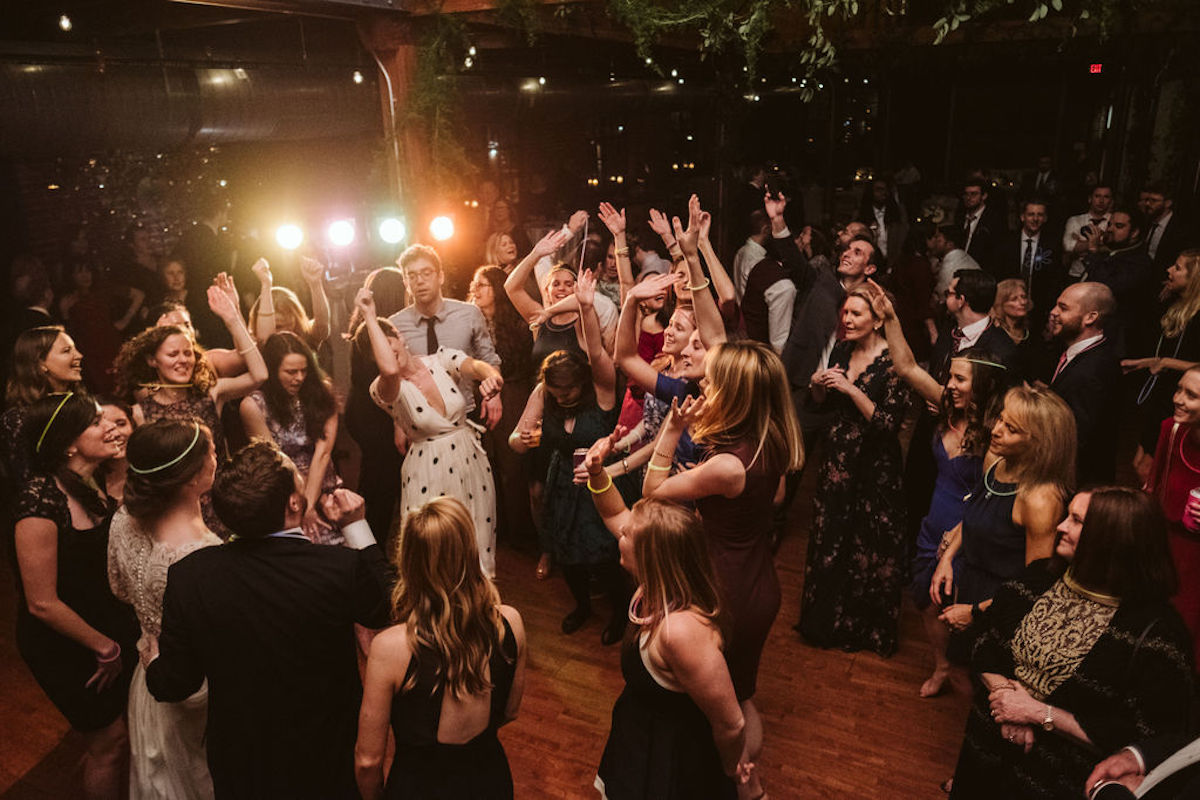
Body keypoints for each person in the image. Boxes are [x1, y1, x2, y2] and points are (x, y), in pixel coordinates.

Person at [145, 440, 392, 799]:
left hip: (244, 761)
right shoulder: (338, 569)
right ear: (294, 502)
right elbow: (389, 605)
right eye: (296, 475)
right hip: (325, 753)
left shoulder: (191, 576)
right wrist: (356, 526)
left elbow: (175, 683)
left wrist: (153, 662)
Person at [637, 339, 804, 799]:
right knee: (741, 693)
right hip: (756, 577)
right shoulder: (769, 439)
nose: (702, 384)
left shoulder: (730, 464)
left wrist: (672, 431)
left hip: (725, 586)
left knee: (723, 707)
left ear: (735, 393)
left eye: (712, 380)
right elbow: (769, 499)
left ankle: (742, 783)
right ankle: (745, 781)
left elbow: (653, 489)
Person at [949, 488, 1194, 800]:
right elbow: (983, 641)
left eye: (1076, 521)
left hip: (1056, 783)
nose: (1061, 526)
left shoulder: (1158, 635)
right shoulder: (1038, 578)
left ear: (1113, 540)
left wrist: (1040, 714)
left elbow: (1150, 737)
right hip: (982, 759)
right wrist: (1006, 699)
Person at [870, 283, 1008, 695]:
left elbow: (990, 495)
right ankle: (942, 664)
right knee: (926, 601)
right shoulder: (948, 410)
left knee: (955, 605)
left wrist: (958, 543)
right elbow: (910, 368)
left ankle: (965, 673)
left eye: (959, 378)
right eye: (949, 376)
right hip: (934, 519)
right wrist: (890, 318)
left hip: (965, 531)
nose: (949, 384)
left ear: (980, 385)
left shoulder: (993, 435)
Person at [582, 486, 754, 799]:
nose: (620, 530)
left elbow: (732, 724)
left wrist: (730, 769)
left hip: (673, 760)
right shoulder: (652, 589)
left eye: (628, 533)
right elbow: (612, 513)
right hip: (640, 735)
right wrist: (596, 474)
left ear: (650, 554)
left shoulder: (681, 632)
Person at [354, 497, 527, 799]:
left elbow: (368, 762)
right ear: (470, 552)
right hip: (489, 781)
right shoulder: (510, 623)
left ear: (407, 561)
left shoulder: (390, 648)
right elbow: (510, 711)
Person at [12, 392, 139, 799]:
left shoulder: (92, 482)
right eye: (97, 422)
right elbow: (41, 603)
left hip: (105, 627)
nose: (110, 428)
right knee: (110, 743)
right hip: (65, 642)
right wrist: (105, 647)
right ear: (68, 442)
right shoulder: (38, 501)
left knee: (119, 735)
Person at [510, 273, 629, 643]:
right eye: (555, 392)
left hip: (601, 480)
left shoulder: (602, 389)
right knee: (568, 551)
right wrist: (526, 440)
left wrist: (588, 307)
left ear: (582, 381)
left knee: (608, 554)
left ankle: (619, 614)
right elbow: (515, 439)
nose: (561, 397)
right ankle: (581, 606)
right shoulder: (545, 392)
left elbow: (596, 351)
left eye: (568, 391)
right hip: (562, 480)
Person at [107, 420, 221, 800]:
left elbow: (121, 589)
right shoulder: (204, 553)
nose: (217, 457)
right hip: (196, 690)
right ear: (191, 479)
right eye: (211, 451)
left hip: (147, 670)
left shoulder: (122, 518)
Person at [357, 287, 503, 578]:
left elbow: (477, 366)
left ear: (400, 337)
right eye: (381, 353)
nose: (390, 356)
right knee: (435, 553)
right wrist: (369, 317)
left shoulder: (441, 359)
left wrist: (492, 380)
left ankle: (482, 611)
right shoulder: (383, 388)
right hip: (427, 471)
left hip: (470, 459)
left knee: (478, 543)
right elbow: (388, 370)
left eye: (392, 345)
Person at [798, 288, 910, 655]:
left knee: (865, 541)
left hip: (874, 463)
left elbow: (888, 423)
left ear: (878, 321)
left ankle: (859, 627)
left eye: (856, 314)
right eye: (845, 312)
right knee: (831, 534)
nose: (846, 320)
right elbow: (824, 402)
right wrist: (818, 386)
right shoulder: (843, 349)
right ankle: (824, 622)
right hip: (838, 459)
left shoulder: (894, 361)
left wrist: (850, 389)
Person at [114, 275, 267, 536]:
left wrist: (232, 319)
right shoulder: (141, 412)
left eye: (188, 353)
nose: (183, 360)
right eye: (173, 354)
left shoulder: (211, 394)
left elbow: (259, 375)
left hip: (222, 507)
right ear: (153, 360)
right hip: (174, 516)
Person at [929, 386, 1075, 648]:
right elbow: (977, 513)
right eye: (1001, 419)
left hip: (1000, 601)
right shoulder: (996, 461)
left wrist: (975, 612)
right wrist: (948, 557)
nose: (995, 430)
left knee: (984, 680)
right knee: (959, 670)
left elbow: (1033, 586)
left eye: (1012, 429)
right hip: (970, 580)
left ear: (1039, 443)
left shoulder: (1040, 499)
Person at [240, 331, 342, 544]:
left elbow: (322, 454)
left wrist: (311, 504)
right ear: (273, 370)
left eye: (304, 371)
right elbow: (275, 462)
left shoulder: (321, 393)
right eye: (290, 372)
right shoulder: (253, 405)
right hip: (286, 493)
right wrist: (300, 506)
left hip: (324, 486)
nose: (299, 378)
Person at [389, 244, 502, 428]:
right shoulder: (396, 324)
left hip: (466, 414)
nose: (420, 281)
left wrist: (494, 394)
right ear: (405, 282)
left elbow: (488, 358)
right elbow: (395, 377)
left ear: (440, 276)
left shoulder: (469, 314)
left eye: (426, 273)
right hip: (419, 419)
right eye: (412, 275)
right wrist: (398, 421)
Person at [468, 266, 537, 549]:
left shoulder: (515, 326)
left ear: (497, 288)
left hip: (512, 394)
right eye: (474, 284)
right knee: (487, 464)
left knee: (513, 466)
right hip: (477, 397)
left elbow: (525, 366)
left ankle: (521, 533)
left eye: (483, 284)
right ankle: (498, 529)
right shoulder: (468, 322)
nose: (476, 289)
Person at [1124, 250, 1200, 484]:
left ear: (1194, 277)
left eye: (1177, 268)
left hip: (1180, 400)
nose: (1169, 270)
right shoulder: (1178, 306)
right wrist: (1145, 363)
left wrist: (1165, 363)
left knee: (1151, 469)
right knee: (1140, 463)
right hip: (1162, 397)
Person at [344, 267, 408, 544]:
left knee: (376, 480)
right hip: (376, 413)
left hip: (361, 411)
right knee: (383, 485)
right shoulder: (379, 331)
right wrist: (398, 421)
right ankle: (372, 551)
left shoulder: (365, 326)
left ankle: (368, 547)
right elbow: (388, 377)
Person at [1146, 364, 1200, 664]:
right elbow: (1153, 489)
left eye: (1191, 395)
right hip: (1165, 550)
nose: (1178, 398)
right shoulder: (1171, 429)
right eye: (1179, 389)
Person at [1045, 283, 1122, 485]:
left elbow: (1077, 438)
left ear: (1091, 317)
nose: (1053, 312)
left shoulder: (1092, 371)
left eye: (1063, 308)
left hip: (1075, 483)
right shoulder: (1086, 353)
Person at [1, 326, 83, 482]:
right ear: (40, 363)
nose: (79, 355)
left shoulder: (84, 405)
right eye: (67, 351)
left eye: (76, 349)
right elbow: (27, 479)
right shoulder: (19, 419)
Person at [247, 256, 332, 350]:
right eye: (278, 326)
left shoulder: (306, 337)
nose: (285, 332)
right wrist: (266, 285)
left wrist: (315, 284)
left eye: (290, 324)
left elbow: (322, 324)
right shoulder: (252, 347)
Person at [1062, 184, 1113, 279]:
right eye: (1097, 196)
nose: (1101, 201)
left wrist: (1081, 245)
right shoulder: (1075, 220)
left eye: (1106, 197)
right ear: (1090, 199)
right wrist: (1100, 244)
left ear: (1111, 201)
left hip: (1103, 276)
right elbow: (1068, 246)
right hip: (1076, 275)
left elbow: (1113, 248)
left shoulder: (1114, 221)